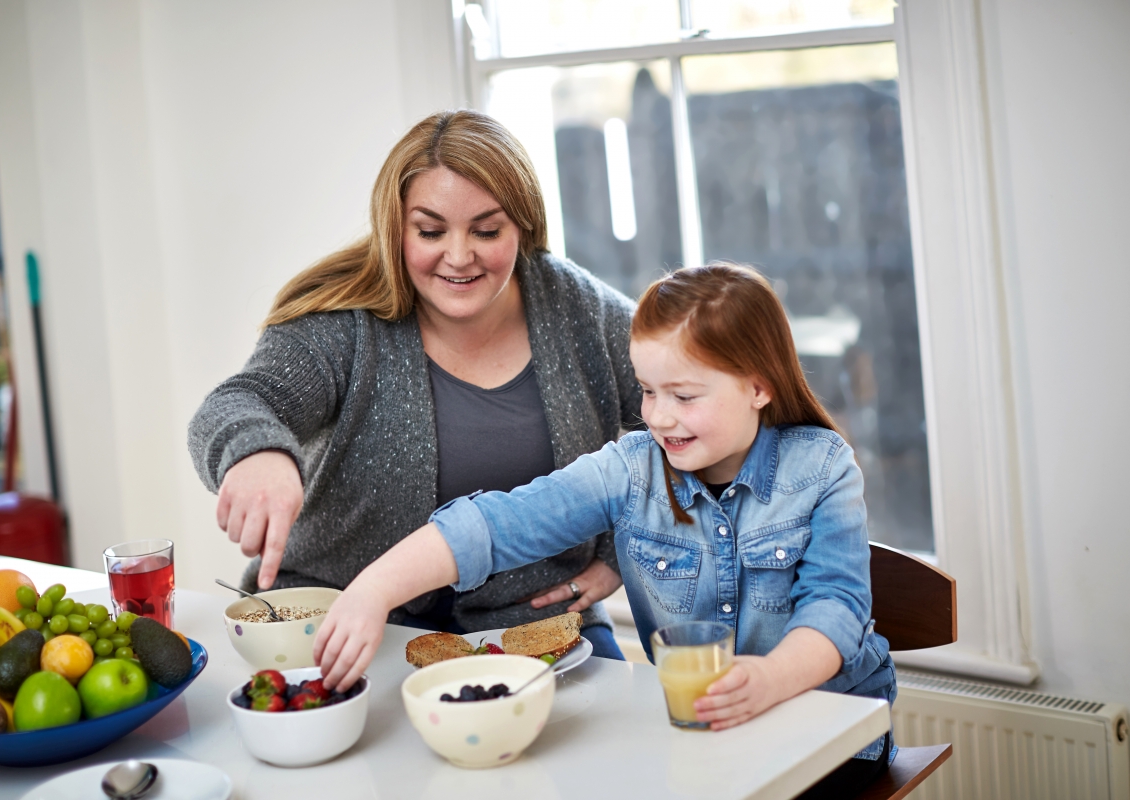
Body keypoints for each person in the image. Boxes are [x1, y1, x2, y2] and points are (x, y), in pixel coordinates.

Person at [312, 263, 897, 792]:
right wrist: (375, 589)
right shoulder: (630, 468)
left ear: (758, 387)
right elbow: (498, 524)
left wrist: (770, 678)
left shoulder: (821, 466)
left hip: (829, 738)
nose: (659, 416)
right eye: (647, 391)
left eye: (685, 395)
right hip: (708, 741)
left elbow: (837, 605)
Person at [187, 110, 641, 659]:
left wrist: (624, 550)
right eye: (430, 231)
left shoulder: (580, 312)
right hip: (341, 615)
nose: (458, 255)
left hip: (536, 620)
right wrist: (256, 453)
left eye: (487, 230)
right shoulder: (343, 323)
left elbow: (692, 420)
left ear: (523, 226)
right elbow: (239, 402)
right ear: (396, 228)